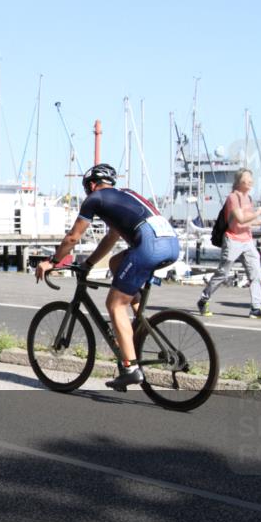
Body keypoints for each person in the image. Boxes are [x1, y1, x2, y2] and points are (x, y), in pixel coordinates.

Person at [35, 164, 180, 391]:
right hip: (171, 243)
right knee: (115, 263)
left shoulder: (96, 198)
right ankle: (139, 322)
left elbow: (73, 237)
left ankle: (131, 369)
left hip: (150, 246)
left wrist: (52, 261)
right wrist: (90, 264)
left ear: (91, 185)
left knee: (114, 305)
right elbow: (111, 239)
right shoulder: (127, 195)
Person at [198, 169, 261, 319]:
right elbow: (240, 219)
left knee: (256, 273)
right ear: (239, 182)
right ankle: (203, 299)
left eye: (251, 179)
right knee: (222, 273)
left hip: (247, 240)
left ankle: (256, 308)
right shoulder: (233, 198)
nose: (250, 181)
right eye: (247, 179)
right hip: (233, 240)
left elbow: (248, 219)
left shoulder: (249, 198)